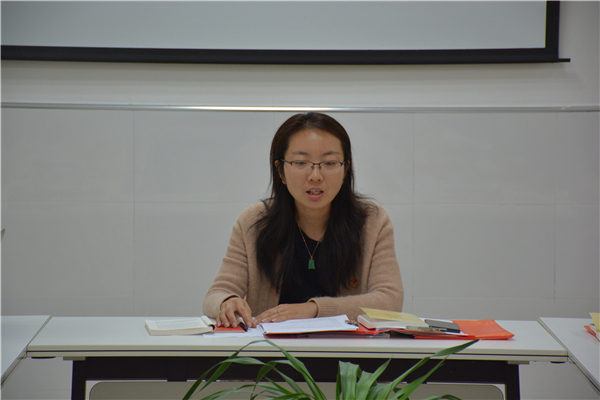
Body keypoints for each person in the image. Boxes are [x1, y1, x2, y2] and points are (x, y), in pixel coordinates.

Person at [203, 112, 403, 329]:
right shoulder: (254, 222)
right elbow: (217, 293)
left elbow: (390, 300)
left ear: (345, 169)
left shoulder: (372, 222)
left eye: (329, 162)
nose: (315, 175)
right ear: (280, 171)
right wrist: (227, 301)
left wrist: (314, 310)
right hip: (270, 347)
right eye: (300, 162)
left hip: (345, 348)